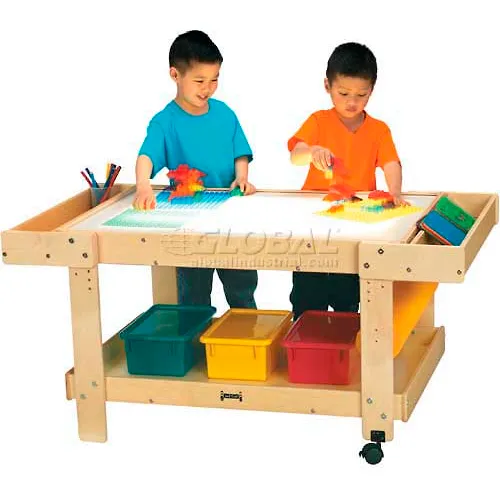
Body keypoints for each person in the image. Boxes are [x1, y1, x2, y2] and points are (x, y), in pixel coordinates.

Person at [135, 30, 258, 308]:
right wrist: (143, 185)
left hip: (231, 219)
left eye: (215, 79)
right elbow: (147, 155)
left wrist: (242, 177)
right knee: (193, 296)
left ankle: (244, 332)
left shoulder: (225, 113)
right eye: (200, 80)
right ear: (175, 75)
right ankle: (196, 334)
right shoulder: (165, 121)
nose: (208, 88)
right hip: (189, 221)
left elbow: (240, 151)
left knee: (242, 290)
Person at [287, 42, 405, 319]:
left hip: (356, 218)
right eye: (343, 93)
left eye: (361, 95)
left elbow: (391, 162)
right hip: (314, 221)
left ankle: (346, 325)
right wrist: (311, 152)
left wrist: (395, 192)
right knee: (308, 291)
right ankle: (305, 326)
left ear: (371, 90)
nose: (352, 102)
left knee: (348, 290)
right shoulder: (318, 121)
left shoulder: (379, 130)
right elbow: (295, 154)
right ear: (327, 86)